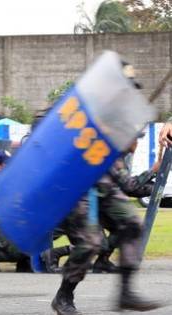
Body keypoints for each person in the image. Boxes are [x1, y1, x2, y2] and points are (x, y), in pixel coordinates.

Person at [51, 62, 162, 314]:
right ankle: (64, 296)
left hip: (104, 185)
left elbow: (124, 180)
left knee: (132, 224)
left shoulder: (119, 121)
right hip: (77, 183)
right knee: (90, 242)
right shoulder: (80, 108)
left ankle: (125, 292)